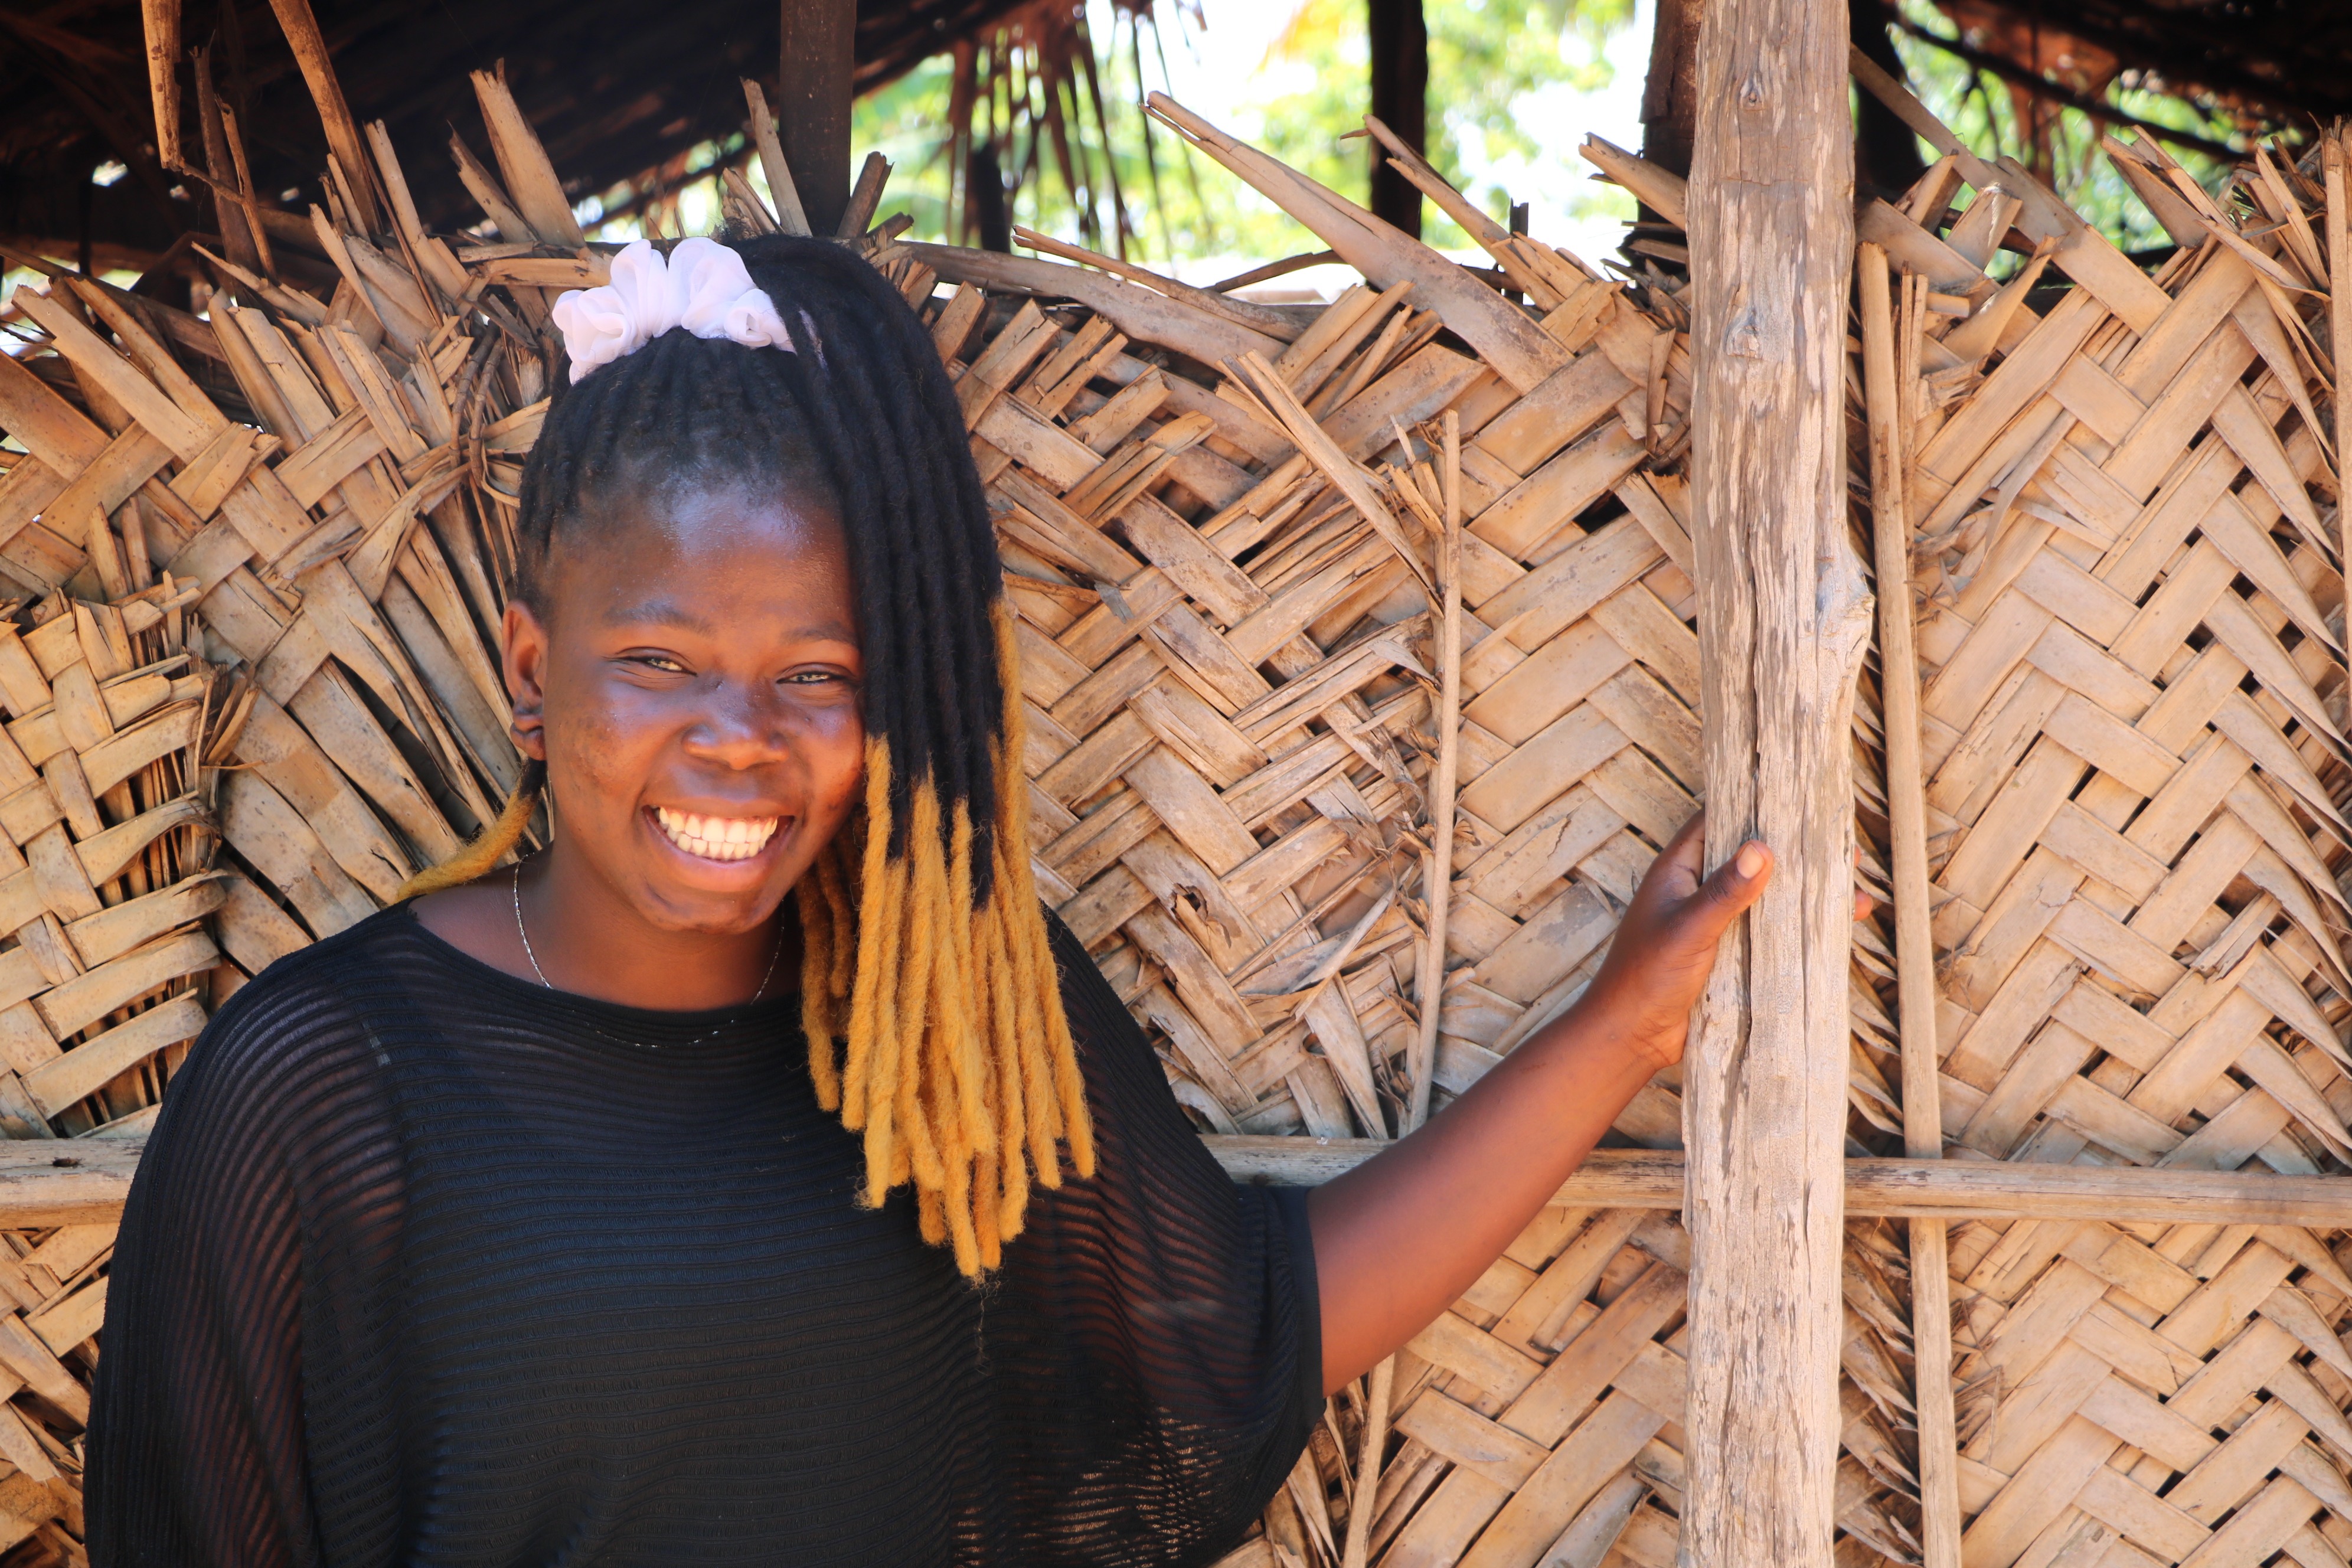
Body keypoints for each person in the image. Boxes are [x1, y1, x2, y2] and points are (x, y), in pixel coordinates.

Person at [86, 234, 1781, 1567]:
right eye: (661, 661)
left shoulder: (944, 1010)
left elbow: (1243, 1337)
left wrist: (1620, 1033)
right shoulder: (324, 1087)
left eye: (816, 672)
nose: (737, 742)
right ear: (533, 674)